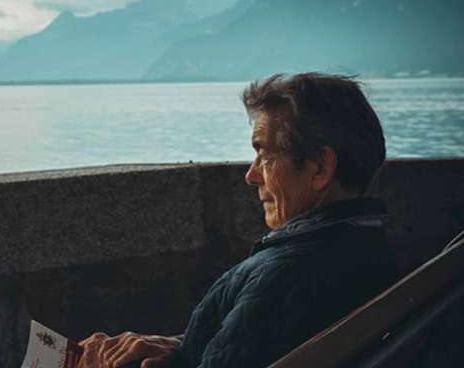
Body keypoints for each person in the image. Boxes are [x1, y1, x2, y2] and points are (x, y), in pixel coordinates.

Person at [78, 73, 399, 368]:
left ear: (319, 167)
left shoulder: (285, 277)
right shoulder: (366, 250)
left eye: (264, 154)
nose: (251, 175)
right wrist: (181, 348)